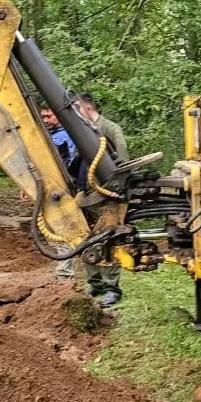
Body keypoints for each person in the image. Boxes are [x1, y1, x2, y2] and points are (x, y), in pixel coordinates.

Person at [73, 93, 128, 308]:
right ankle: (95, 282)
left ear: (86, 108)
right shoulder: (83, 133)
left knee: (107, 240)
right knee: (86, 238)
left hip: (108, 195)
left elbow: (123, 160)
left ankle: (111, 288)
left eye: (77, 109)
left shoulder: (111, 129)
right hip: (88, 194)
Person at [40, 101, 77, 279]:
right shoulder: (53, 134)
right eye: (43, 116)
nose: (45, 119)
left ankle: (64, 275)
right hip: (51, 189)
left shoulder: (62, 137)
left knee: (60, 231)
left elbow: (60, 163)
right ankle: (64, 272)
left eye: (49, 116)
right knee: (51, 231)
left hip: (61, 189)